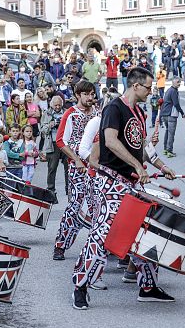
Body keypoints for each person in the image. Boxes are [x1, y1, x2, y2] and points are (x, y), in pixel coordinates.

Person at [71, 67, 177, 309]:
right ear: (135, 85)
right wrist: (137, 166)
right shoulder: (114, 108)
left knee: (142, 232)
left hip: (129, 183)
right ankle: (80, 285)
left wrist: (161, 165)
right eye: (148, 87)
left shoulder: (138, 113)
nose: (151, 91)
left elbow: (141, 148)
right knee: (101, 235)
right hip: (110, 182)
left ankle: (148, 286)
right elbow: (110, 141)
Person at [52, 81, 97, 260]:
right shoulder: (70, 114)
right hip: (78, 168)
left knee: (100, 206)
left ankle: (102, 247)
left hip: (96, 166)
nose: (90, 97)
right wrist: (76, 159)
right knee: (75, 205)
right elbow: (61, 141)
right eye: (86, 94)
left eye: (92, 94)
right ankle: (60, 245)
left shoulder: (97, 112)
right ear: (78, 95)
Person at [41, 96, 68, 201]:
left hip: (65, 143)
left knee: (68, 167)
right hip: (52, 143)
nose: (57, 107)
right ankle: (51, 191)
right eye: (55, 105)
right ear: (51, 104)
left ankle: (69, 189)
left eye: (59, 105)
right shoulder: (46, 113)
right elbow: (42, 130)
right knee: (52, 168)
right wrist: (50, 125)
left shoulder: (66, 112)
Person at [160, 77, 185, 157]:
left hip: (165, 114)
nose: (179, 84)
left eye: (179, 82)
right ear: (173, 82)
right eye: (178, 82)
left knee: (167, 131)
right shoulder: (173, 91)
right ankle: (169, 151)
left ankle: (165, 149)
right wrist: (182, 112)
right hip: (171, 115)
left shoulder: (168, 90)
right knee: (171, 133)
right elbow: (176, 104)